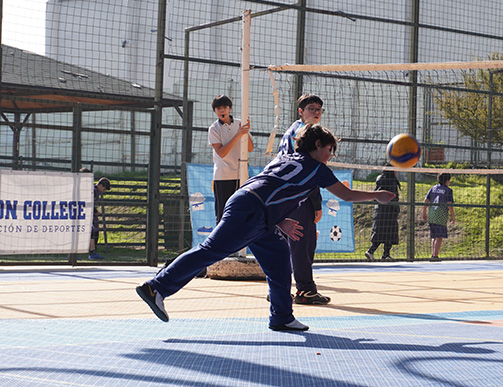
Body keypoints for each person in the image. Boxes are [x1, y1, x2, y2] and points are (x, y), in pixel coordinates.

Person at [136, 124, 395, 331]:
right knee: (210, 251)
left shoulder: (285, 159)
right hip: (252, 210)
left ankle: (282, 317)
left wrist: (278, 219)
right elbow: (346, 195)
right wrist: (378, 195)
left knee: (280, 261)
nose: (330, 156)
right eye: (329, 150)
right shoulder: (316, 168)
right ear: (317, 145)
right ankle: (156, 287)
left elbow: (272, 186)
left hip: (254, 209)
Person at [277, 93, 329, 305]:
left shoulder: (291, 130)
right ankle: (305, 290)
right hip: (297, 195)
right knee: (302, 243)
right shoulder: (304, 134)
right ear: (301, 111)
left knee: (284, 245)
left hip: (280, 193)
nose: (316, 112)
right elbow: (309, 170)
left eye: (318, 109)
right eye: (311, 109)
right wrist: (316, 203)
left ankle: (278, 289)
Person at [208, 94, 254, 225]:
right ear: (215, 111)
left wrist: (245, 132)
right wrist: (238, 135)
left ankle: (241, 238)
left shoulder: (240, 123)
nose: (222, 111)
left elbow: (250, 148)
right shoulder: (214, 129)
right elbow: (221, 153)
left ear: (229, 109)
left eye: (224, 107)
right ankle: (222, 237)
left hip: (242, 175)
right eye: (218, 108)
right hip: (223, 176)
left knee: (242, 211)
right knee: (223, 214)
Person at [366, 168, 401, 261]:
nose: (397, 172)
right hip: (389, 212)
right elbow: (394, 197)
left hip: (379, 211)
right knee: (389, 233)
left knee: (380, 233)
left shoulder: (380, 181)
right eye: (395, 170)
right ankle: (384, 254)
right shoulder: (391, 182)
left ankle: (372, 251)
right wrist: (396, 209)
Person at [422, 172, 455, 261]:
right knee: (439, 236)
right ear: (447, 181)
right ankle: (435, 256)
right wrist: (452, 215)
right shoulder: (448, 190)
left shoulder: (433, 188)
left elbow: (426, 200)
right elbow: (449, 203)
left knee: (434, 236)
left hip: (431, 214)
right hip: (441, 215)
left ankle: (433, 254)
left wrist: (424, 212)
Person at [88, 173, 110, 260]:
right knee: (93, 233)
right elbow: (89, 203)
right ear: (100, 185)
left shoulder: (95, 191)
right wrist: (95, 211)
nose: (103, 191)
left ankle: (93, 251)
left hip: (92, 215)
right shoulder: (93, 191)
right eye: (104, 188)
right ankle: (92, 252)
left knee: (95, 232)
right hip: (89, 215)